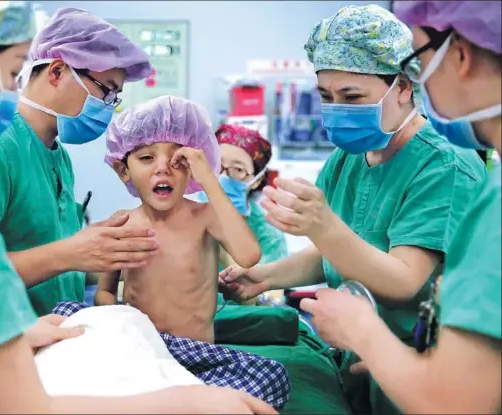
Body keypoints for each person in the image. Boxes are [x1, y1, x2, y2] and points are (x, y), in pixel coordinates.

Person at [0, 2, 277, 414]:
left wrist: (21, 329)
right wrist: (186, 403)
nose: (7, 93)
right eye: (12, 71)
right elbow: (21, 406)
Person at [219, 4, 487, 414]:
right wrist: (263, 277)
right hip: (356, 360)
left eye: (352, 96)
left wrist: (322, 226)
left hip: (416, 369)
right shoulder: (349, 156)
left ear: (403, 86)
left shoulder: (443, 165)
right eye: (326, 96)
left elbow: (403, 280)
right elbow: (339, 254)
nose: (336, 108)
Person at [299, 1, 502, 413]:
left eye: (420, 60)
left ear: (459, 54)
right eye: (326, 96)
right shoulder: (351, 159)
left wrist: (363, 332)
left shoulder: (452, 171)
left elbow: (456, 400)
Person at [0, 8, 161, 317]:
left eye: (115, 97)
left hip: (54, 333)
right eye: (106, 90)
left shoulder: (58, 157)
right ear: (57, 72)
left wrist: (114, 253)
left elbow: (53, 265)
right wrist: (71, 251)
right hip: (2, 341)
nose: (108, 107)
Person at [94, 95, 262, 343]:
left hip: (195, 353)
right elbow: (105, 292)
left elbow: (248, 256)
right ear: (123, 170)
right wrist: (121, 316)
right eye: (146, 158)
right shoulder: (122, 224)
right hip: (142, 347)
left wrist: (210, 181)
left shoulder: (206, 217)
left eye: (178, 160)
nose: (163, 168)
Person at [210, 124, 289, 306]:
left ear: (257, 180)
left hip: (242, 325)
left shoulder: (268, 234)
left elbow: (271, 304)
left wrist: (225, 250)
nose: (224, 177)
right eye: (216, 166)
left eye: (237, 170)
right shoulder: (181, 216)